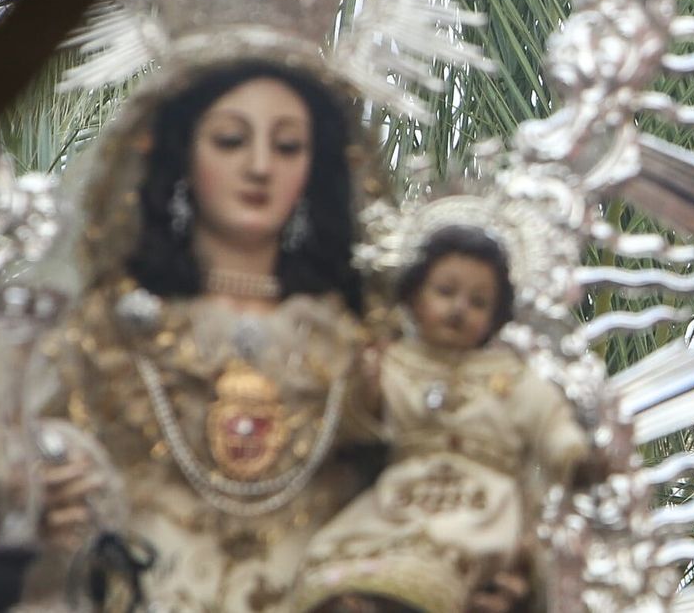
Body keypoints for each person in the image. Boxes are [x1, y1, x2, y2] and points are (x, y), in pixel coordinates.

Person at [33, 60, 383, 610]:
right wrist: (44, 498)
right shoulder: (111, 328)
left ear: (315, 167)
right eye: (230, 140)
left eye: (288, 146)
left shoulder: (353, 338)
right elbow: (36, 457)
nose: (260, 167)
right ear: (182, 153)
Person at [291, 225, 590, 613]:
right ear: (414, 297)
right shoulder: (397, 362)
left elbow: (550, 421)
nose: (459, 309)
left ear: (496, 317)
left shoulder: (511, 377)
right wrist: (365, 386)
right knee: (338, 562)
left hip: (476, 506)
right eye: (445, 292)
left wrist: (573, 455)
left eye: (478, 301)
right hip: (400, 498)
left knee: (431, 571)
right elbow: (355, 422)